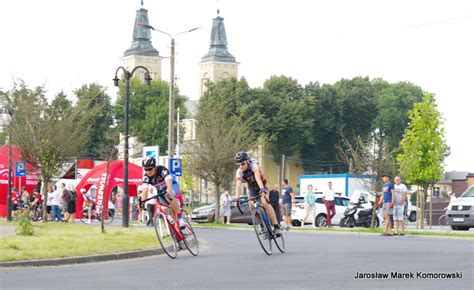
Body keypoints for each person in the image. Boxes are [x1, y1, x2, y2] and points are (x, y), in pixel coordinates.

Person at [234, 151, 282, 234]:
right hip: (252, 188)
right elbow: (238, 185)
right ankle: (262, 225)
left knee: (264, 202)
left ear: (248, 161)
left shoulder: (254, 165)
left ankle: (276, 225)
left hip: (262, 185)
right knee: (251, 205)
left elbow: (257, 178)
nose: (240, 166)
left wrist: (262, 190)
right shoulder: (239, 171)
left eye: (242, 164)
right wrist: (237, 198)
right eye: (238, 165)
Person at [141, 156, 187, 231]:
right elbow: (144, 191)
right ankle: (173, 231)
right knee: (163, 209)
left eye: (150, 169)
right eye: (145, 169)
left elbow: (169, 185)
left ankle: (180, 218)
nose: (148, 171)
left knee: (169, 196)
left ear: (154, 167)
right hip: (161, 191)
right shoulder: (146, 177)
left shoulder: (162, 170)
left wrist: (168, 193)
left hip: (173, 186)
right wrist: (142, 202)